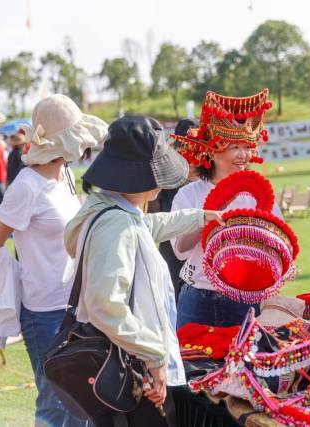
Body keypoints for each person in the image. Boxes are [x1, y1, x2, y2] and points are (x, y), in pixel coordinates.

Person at [65, 115, 222, 426]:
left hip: (128, 359)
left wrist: (204, 217)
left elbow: (149, 226)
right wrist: (153, 355)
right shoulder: (116, 223)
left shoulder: (112, 210)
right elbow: (105, 304)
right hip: (132, 364)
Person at [0, 94, 107, 427]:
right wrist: (18, 286)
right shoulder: (26, 186)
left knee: (82, 403)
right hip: (44, 313)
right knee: (54, 404)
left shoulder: (62, 177)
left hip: (75, 307)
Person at [171, 89, 280, 328]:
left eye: (247, 146)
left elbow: (278, 248)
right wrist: (210, 216)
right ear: (211, 150)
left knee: (246, 362)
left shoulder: (258, 193)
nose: (244, 155)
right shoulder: (189, 194)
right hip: (196, 297)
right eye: (234, 148)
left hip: (245, 298)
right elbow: (180, 249)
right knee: (193, 363)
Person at [148, 119, 197, 303]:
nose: (190, 156)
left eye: (195, 149)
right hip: (172, 258)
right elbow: (153, 219)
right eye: (184, 148)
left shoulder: (210, 182)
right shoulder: (167, 181)